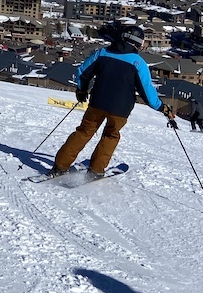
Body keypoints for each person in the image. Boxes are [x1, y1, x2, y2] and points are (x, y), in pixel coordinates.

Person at [50, 21, 177, 177]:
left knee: (84, 131)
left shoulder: (102, 53)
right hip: (120, 109)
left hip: (97, 102)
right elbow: (148, 93)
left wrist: (82, 89)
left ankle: (60, 166)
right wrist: (162, 108)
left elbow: (83, 72)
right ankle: (96, 170)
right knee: (110, 136)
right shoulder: (138, 63)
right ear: (138, 44)